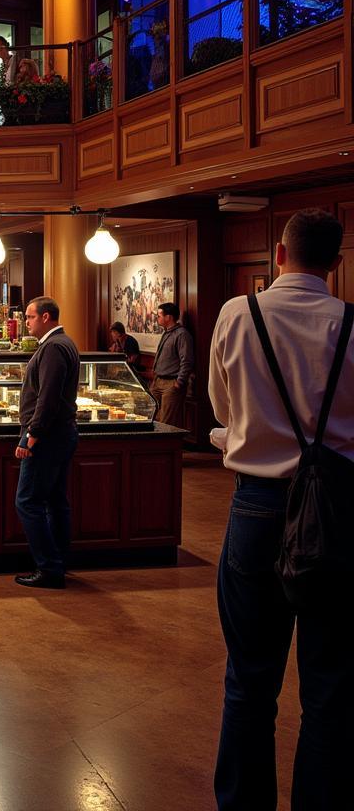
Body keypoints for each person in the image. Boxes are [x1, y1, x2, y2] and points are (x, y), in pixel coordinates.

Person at [208, 208, 353, 810]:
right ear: (337, 264)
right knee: (329, 685)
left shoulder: (239, 314)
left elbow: (222, 409)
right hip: (338, 511)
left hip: (258, 507)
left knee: (249, 679)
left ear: (278, 252)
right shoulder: (350, 323)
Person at [13, 296, 80, 589]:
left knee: (27, 501)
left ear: (46, 317)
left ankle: (49, 568)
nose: (25, 322)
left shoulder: (53, 347)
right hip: (62, 434)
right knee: (55, 501)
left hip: (48, 437)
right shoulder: (63, 343)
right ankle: (60, 561)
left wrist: (31, 435)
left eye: (29, 317)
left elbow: (48, 397)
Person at [150, 301, 194, 427]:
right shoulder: (167, 332)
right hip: (158, 380)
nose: (157, 318)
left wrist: (179, 382)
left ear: (168, 317)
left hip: (171, 383)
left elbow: (187, 360)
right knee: (153, 415)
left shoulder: (182, 334)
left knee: (167, 421)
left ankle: (165, 446)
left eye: (159, 315)